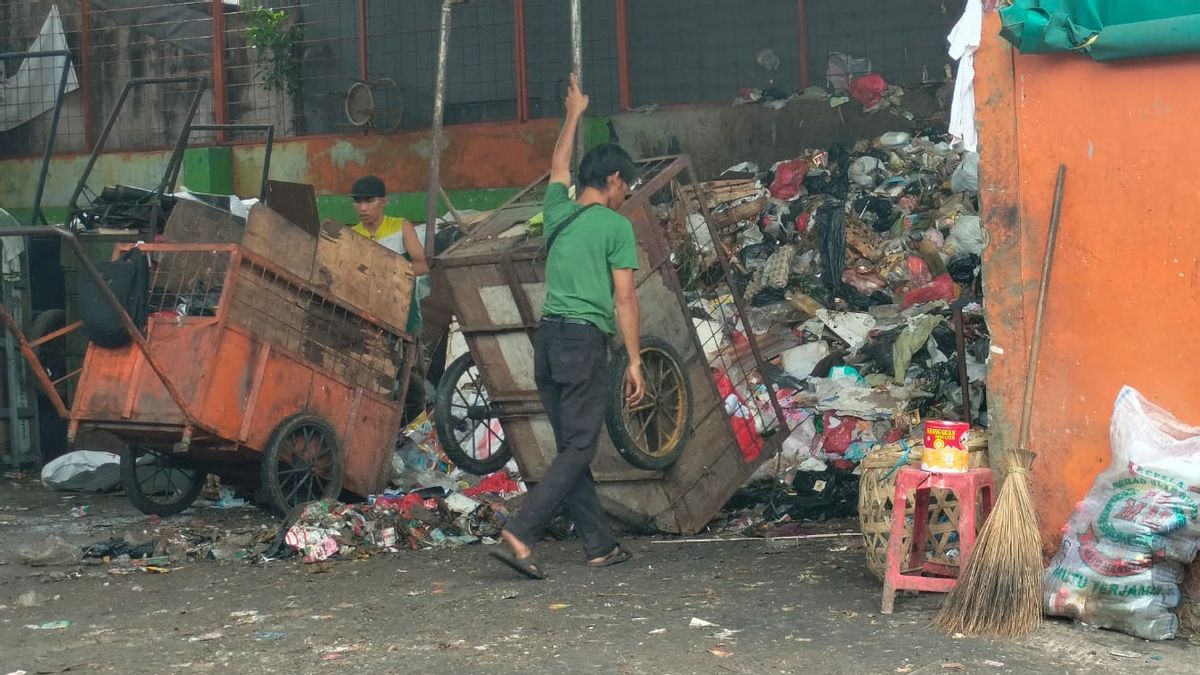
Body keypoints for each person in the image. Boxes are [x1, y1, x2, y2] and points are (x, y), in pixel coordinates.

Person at [492, 74, 645, 579]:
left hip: (549, 342)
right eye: (627, 186)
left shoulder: (556, 211)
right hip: (582, 342)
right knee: (581, 447)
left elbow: (557, 164)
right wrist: (636, 360)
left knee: (571, 449)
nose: (627, 195)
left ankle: (600, 545)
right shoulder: (617, 227)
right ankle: (521, 530)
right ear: (616, 181)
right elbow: (624, 299)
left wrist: (574, 113)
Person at [348, 175, 429, 423]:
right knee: (374, 378)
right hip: (369, 319)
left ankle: (416, 430)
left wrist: (390, 275)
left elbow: (423, 265)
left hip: (405, 314)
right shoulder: (352, 234)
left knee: (410, 379)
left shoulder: (401, 227)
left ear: (384, 201)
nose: (362, 208)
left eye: (369, 201)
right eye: (358, 202)